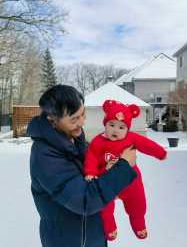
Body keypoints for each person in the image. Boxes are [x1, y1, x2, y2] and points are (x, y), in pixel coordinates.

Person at [27, 85, 138, 247]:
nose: (82, 122)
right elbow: (85, 200)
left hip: (94, 238)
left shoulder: (76, 141)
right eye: (74, 119)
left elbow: (94, 179)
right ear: (52, 119)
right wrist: (123, 167)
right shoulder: (45, 156)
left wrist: (110, 169)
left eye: (83, 114)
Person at [84, 99, 167, 241]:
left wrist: (160, 152)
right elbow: (90, 157)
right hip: (108, 184)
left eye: (121, 127)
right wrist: (91, 172)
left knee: (138, 204)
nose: (115, 130)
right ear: (105, 124)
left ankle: (138, 224)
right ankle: (110, 227)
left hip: (131, 182)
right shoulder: (98, 141)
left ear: (127, 129)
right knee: (104, 208)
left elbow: (147, 145)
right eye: (111, 125)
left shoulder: (131, 138)